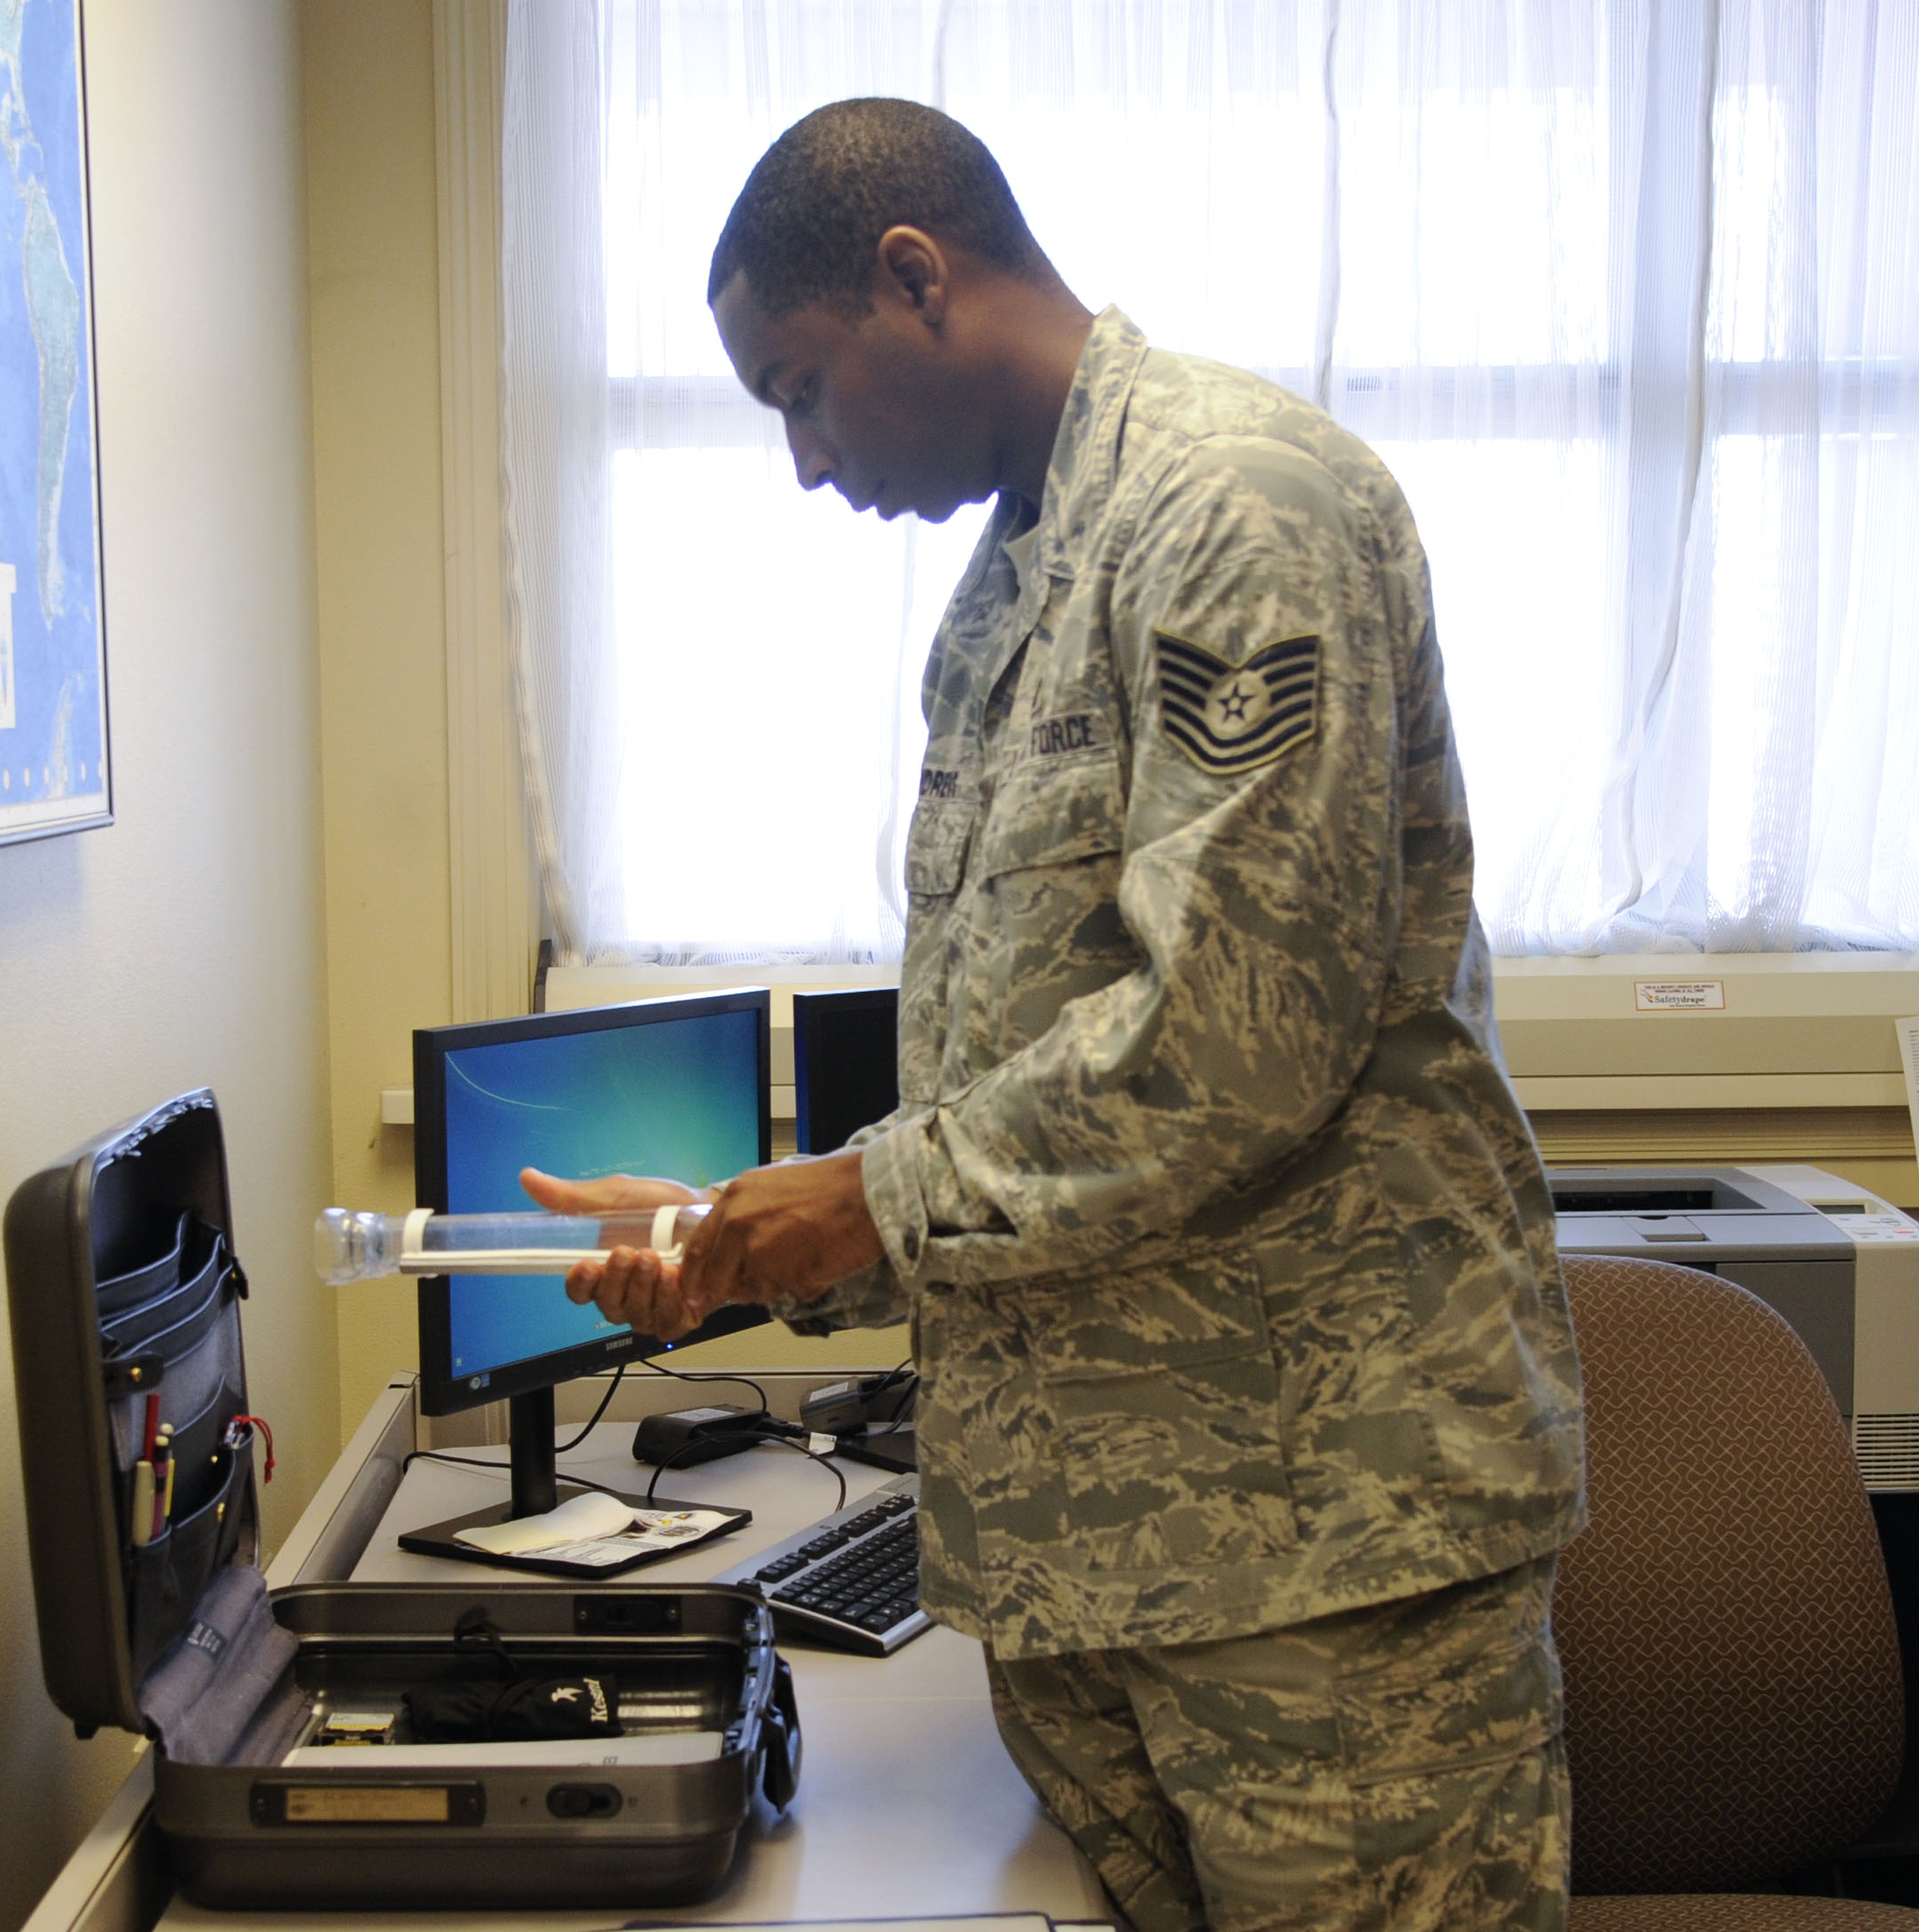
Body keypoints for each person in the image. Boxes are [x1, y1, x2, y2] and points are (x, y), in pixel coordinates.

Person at [521, 97, 1586, 1932]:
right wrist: (756, 1245)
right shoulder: (1010, 585)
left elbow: (1229, 1041)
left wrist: (851, 1199)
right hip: (1102, 1564)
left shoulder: (1229, 508)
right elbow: (1014, 1077)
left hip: (1314, 1562)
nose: (800, 458)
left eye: (797, 385)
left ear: (912, 278)